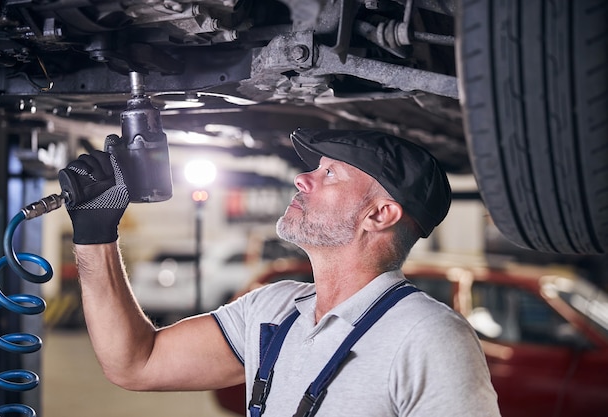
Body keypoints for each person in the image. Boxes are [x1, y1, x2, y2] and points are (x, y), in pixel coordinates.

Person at [61, 128, 501, 417]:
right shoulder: (273, 309)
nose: (303, 180)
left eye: (330, 173)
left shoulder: (428, 336)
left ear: (381, 214)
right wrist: (96, 232)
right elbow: (136, 364)